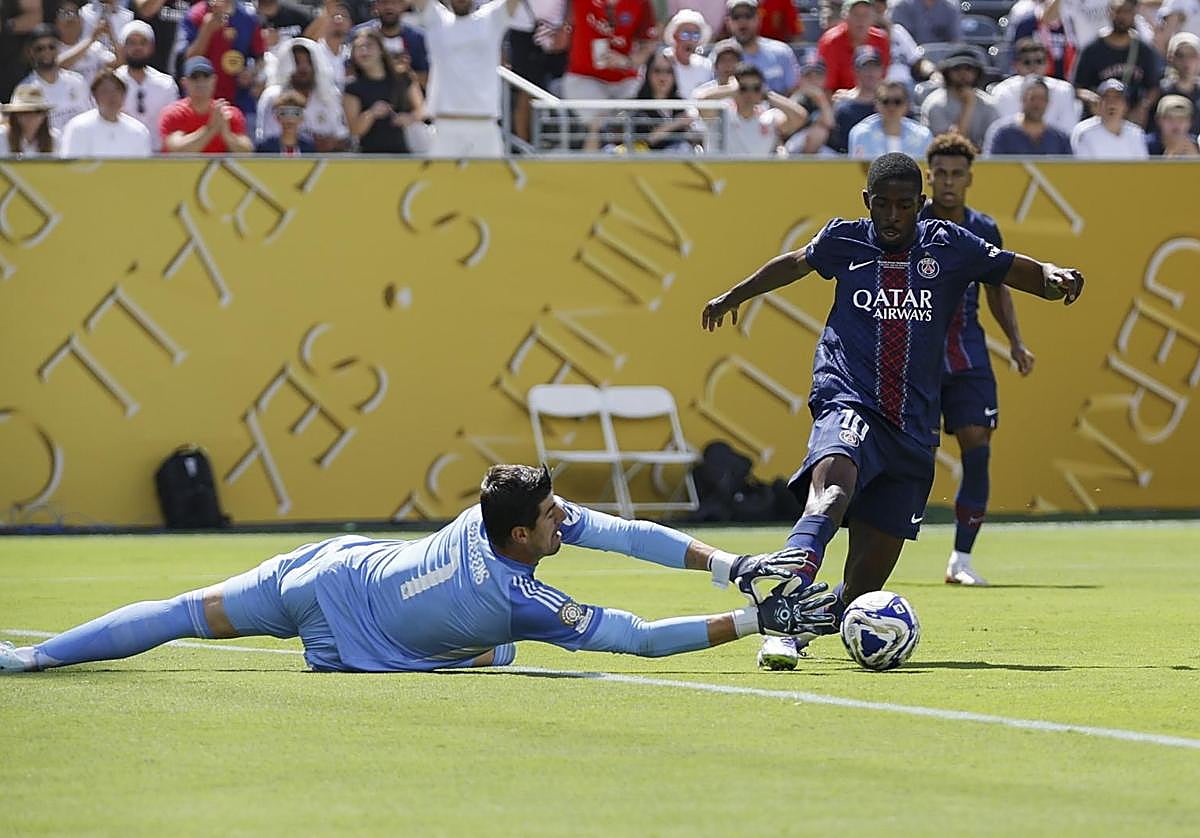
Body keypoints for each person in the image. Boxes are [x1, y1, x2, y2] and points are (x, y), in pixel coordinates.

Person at [700, 151, 1083, 669]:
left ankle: (791, 623)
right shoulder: (844, 239)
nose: (893, 216)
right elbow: (794, 263)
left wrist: (1053, 275)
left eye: (905, 205)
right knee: (832, 490)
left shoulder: (949, 245)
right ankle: (785, 594)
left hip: (913, 429)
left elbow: (1009, 267)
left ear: (920, 205)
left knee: (861, 587)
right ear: (868, 203)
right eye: (883, 205)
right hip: (849, 397)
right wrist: (733, 295)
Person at [0, 464, 837, 675]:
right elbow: (642, 639)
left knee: (184, 612)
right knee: (500, 649)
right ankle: (465, 649)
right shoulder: (521, 595)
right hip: (354, 638)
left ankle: (33, 657)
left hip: (326, 569)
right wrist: (761, 618)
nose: (564, 517)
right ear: (519, 532)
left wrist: (732, 566)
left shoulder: (500, 520)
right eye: (550, 516)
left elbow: (621, 534)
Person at [920, 133, 1035, 585]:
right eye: (941, 174)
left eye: (957, 174)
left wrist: (1017, 342)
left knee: (978, 451)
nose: (948, 182)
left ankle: (960, 560)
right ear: (929, 177)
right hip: (919, 361)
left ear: (969, 178)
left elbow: (998, 289)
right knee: (910, 459)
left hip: (968, 357)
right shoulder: (911, 223)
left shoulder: (983, 229)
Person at [412, 0, 531, 159]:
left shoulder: (492, 17)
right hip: (445, 127)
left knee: (489, 184)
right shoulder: (436, 17)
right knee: (441, 184)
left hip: (485, 126)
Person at [1070, 0, 1163, 126]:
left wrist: (1143, 106)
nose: (1122, 16)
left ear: (1135, 13)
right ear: (1109, 12)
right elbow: (1076, 87)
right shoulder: (1092, 49)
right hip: (1100, 120)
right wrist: (1092, 99)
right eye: (1118, 11)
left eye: (1127, 11)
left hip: (1131, 121)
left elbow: (1154, 87)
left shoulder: (1144, 50)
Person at [256, 38, 347, 150]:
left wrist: (331, 142)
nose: (303, 68)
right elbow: (266, 138)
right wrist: (308, 143)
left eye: (308, 61)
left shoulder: (330, 96)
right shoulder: (273, 96)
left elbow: (342, 135)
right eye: (297, 62)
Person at [343, 27, 424, 153]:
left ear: (381, 50)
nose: (364, 51)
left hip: (404, 153)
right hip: (369, 157)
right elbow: (354, 130)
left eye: (369, 46)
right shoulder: (352, 87)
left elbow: (422, 110)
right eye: (358, 48)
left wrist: (409, 118)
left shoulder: (403, 78)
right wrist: (371, 114)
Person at [159, 55, 255, 153]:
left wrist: (226, 133)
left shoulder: (229, 114)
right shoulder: (174, 114)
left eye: (206, 76)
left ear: (214, 80)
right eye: (194, 77)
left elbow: (247, 152)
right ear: (184, 83)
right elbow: (177, 151)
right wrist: (210, 129)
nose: (201, 82)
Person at [990, 37, 1082, 135]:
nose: (1033, 67)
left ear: (1047, 65)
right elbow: (1003, 132)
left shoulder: (1064, 90)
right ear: (1016, 66)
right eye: (1027, 62)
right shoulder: (1003, 91)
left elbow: (1068, 132)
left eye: (1039, 61)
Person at [115, 20, 180, 151]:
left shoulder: (166, 84)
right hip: (121, 155)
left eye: (143, 43)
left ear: (151, 48)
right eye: (132, 43)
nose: (137, 48)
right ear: (123, 47)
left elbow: (174, 124)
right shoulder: (111, 82)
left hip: (158, 157)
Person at [60, 67, 153, 156]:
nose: (112, 96)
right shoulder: (78, 126)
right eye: (105, 91)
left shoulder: (138, 130)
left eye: (116, 90)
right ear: (94, 97)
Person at [920, 47, 1000, 148]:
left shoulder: (989, 104)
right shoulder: (935, 104)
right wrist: (968, 104)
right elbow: (950, 146)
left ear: (977, 73)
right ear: (947, 72)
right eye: (957, 69)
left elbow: (994, 146)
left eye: (969, 69)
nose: (963, 74)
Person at [19, 24, 93, 132]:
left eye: (51, 47)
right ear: (31, 52)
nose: (46, 52)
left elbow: (90, 116)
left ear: (58, 48)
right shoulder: (25, 90)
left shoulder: (77, 81)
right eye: (40, 48)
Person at [631, 46, 701, 152]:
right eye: (657, 71)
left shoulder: (679, 103)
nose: (663, 77)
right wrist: (678, 122)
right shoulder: (638, 105)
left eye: (668, 71)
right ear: (648, 74)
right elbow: (648, 139)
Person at [982, 75, 1074, 155]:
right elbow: (992, 166)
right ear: (1022, 100)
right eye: (1032, 98)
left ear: (1048, 102)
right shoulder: (1002, 133)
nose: (1037, 104)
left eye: (1042, 99)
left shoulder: (1059, 138)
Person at [725, 0, 800, 96]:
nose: (742, 21)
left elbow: (794, 92)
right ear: (728, 22)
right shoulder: (721, 53)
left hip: (777, 109)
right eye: (736, 17)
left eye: (748, 16)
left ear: (758, 19)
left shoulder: (781, 52)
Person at [817, 0, 890, 94]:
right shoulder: (831, 42)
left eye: (866, 15)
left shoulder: (881, 39)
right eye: (855, 14)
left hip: (874, 99)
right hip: (839, 100)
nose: (861, 20)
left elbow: (882, 80)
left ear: (873, 18)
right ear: (845, 17)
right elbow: (826, 88)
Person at [847, 79, 932, 158]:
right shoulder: (861, 134)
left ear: (907, 105)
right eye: (885, 101)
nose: (891, 107)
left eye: (897, 101)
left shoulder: (922, 136)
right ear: (876, 104)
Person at [1070, 77, 1149, 156]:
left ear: (1125, 106)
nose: (1111, 103)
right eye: (1106, 97)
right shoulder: (1084, 132)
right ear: (1099, 104)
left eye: (1117, 98)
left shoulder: (1136, 134)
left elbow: (1143, 166)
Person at [662, 9, 713, 98]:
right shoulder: (662, 61)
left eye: (695, 35)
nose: (690, 40)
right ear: (675, 36)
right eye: (685, 34)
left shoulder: (706, 66)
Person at [0, 83, 59, 157]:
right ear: (15, 115)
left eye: (37, 111)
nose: (31, 117)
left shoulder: (55, 139)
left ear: (44, 115)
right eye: (24, 112)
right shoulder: (1, 137)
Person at [255, 87, 315, 152]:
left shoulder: (309, 147)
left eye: (296, 113)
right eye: (284, 113)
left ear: (302, 117)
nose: (290, 119)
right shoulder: (265, 147)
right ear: (277, 117)